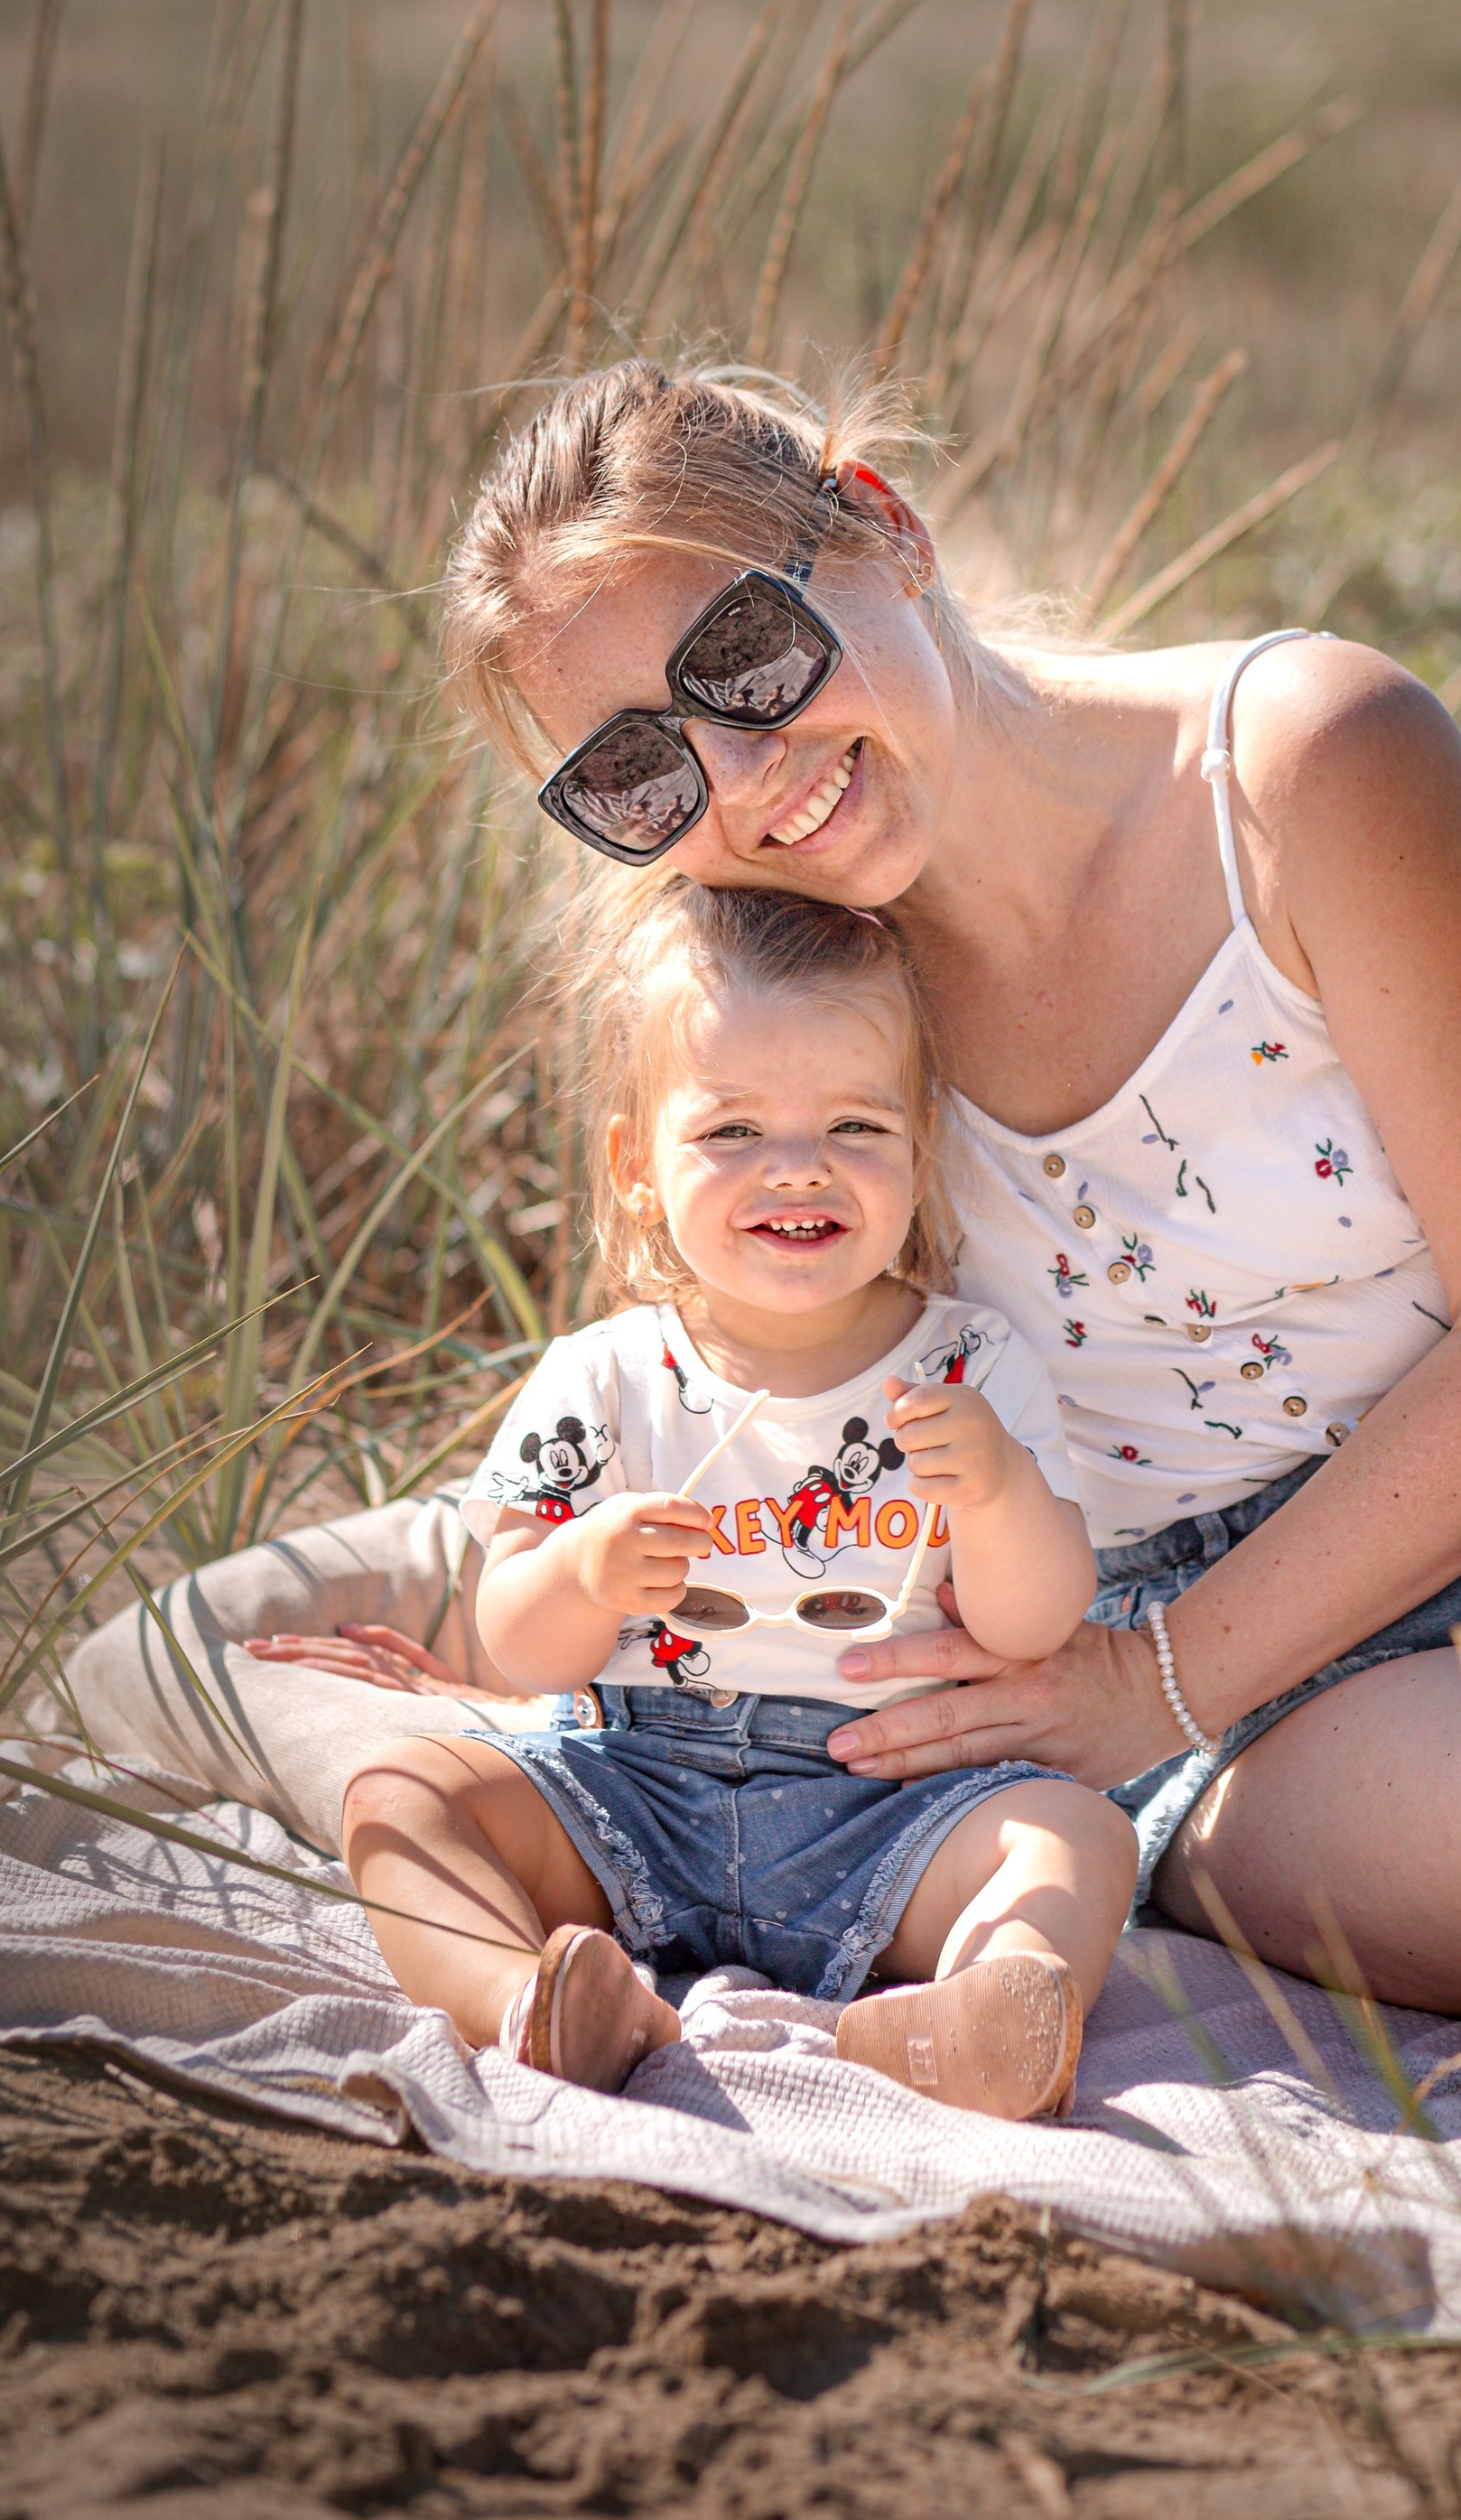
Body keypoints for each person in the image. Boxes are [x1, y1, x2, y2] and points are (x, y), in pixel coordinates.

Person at [259, 358, 1461, 2044]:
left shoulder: (1297, 764)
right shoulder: (796, 1037)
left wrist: (1145, 1679)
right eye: (634, 771)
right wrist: (420, 1607)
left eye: (742, 658)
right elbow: (695, 1407)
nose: (743, 779)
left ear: (881, 528)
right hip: (1267, 1685)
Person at [336, 881, 1133, 2116]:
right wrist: (585, 1571)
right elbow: (513, 1639)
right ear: (637, 1165)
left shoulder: (968, 1364)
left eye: (856, 1128)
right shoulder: (602, 1375)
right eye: (732, 1132)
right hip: (634, 1784)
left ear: (921, 1147)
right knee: (400, 1799)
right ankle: (541, 2005)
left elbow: (1036, 1623)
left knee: (1076, 1836)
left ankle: (973, 2013)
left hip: (887, 1805)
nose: (798, 1168)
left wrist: (999, 1489)